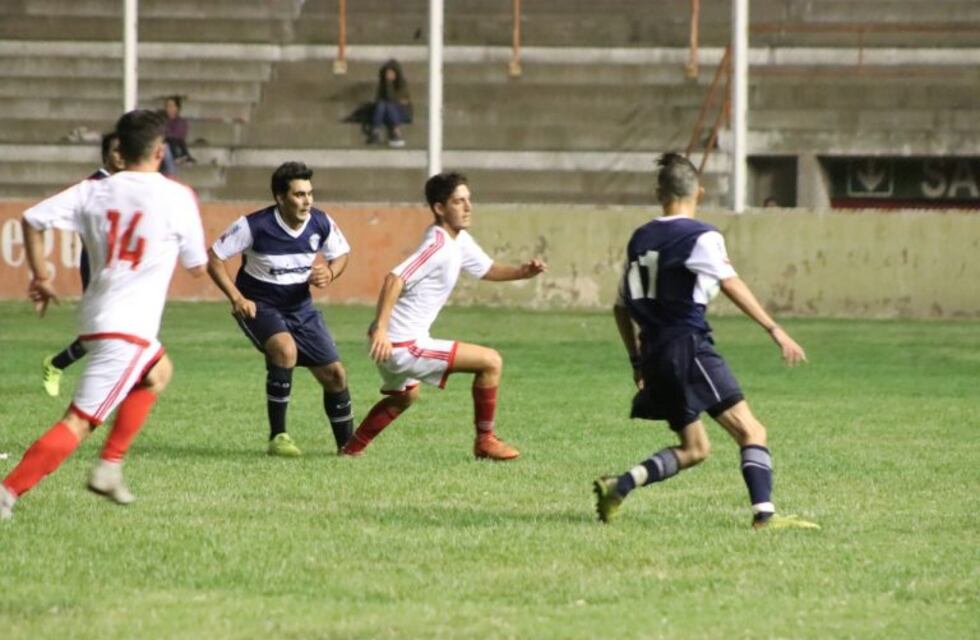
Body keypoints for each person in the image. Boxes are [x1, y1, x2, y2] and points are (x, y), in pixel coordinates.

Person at [593, 153, 819, 530]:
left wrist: (636, 361)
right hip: (688, 348)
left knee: (695, 449)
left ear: (658, 192)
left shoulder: (641, 238)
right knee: (752, 431)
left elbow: (620, 307)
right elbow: (731, 283)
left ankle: (619, 485)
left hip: (653, 353)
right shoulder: (700, 236)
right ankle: (765, 515)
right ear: (700, 190)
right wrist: (774, 329)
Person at [1, 109, 208, 520]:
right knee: (79, 422)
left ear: (120, 150)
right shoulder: (176, 196)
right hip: (127, 327)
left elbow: (32, 219)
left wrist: (42, 274)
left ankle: (110, 466)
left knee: (158, 372)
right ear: (160, 151)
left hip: (98, 315)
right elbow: (197, 264)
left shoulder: (94, 190)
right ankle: (8, 493)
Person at [340, 171, 546, 460]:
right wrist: (382, 331)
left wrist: (522, 272)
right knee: (491, 362)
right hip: (399, 344)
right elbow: (393, 279)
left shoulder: (458, 241)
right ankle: (485, 441)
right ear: (439, 208)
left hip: (394, 342)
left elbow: (485, 268)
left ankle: (351, 450)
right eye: (458, 201)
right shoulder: (436, 245)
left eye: (468, 200)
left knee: (405, 396)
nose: (468, 206)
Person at [207, 162, 355, 457]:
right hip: (259, 305)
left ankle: (349, 447)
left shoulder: (321, 222)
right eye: (299, 195)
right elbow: (214, 257)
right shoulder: (254, 225)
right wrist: (237, 298)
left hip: (301, 307)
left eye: (310, 194)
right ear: (280, 197)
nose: (307, 201)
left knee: (336, 375)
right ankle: (279, 437)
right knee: (285, 350)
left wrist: (331, 272)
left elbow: (340, 255)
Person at [40, 132, 125, 397]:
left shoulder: (128, 185)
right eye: (115, 150)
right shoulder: (94, 186)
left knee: (115, 328)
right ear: (105, 155)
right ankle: (58, 364)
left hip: (122, 265)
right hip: (98, 263)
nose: (121, 156)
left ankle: (60, 364)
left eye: (125, 150)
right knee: (106, 328)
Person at [368, 59, 412, 147]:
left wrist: (389, 83)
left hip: (402, 112)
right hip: (386, 112)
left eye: (391, 73)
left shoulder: (402, 84)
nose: (389, 75)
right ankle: (376, 132)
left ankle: (396, 132)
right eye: (387, 73)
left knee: (389, 104)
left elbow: (393, 98)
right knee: (382, 104)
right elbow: (378, 99)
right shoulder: (382, 85)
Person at [163, 95, 194, 166]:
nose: (169, 108)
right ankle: (183, 157)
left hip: (176, 145)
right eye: (167, 106)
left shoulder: (181, 122)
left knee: (171, 141)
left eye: (171, 106)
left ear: (177, 108)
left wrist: (166, 134)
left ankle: (182, 157)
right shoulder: (163, 120)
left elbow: (178, 136)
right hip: (166, 147)